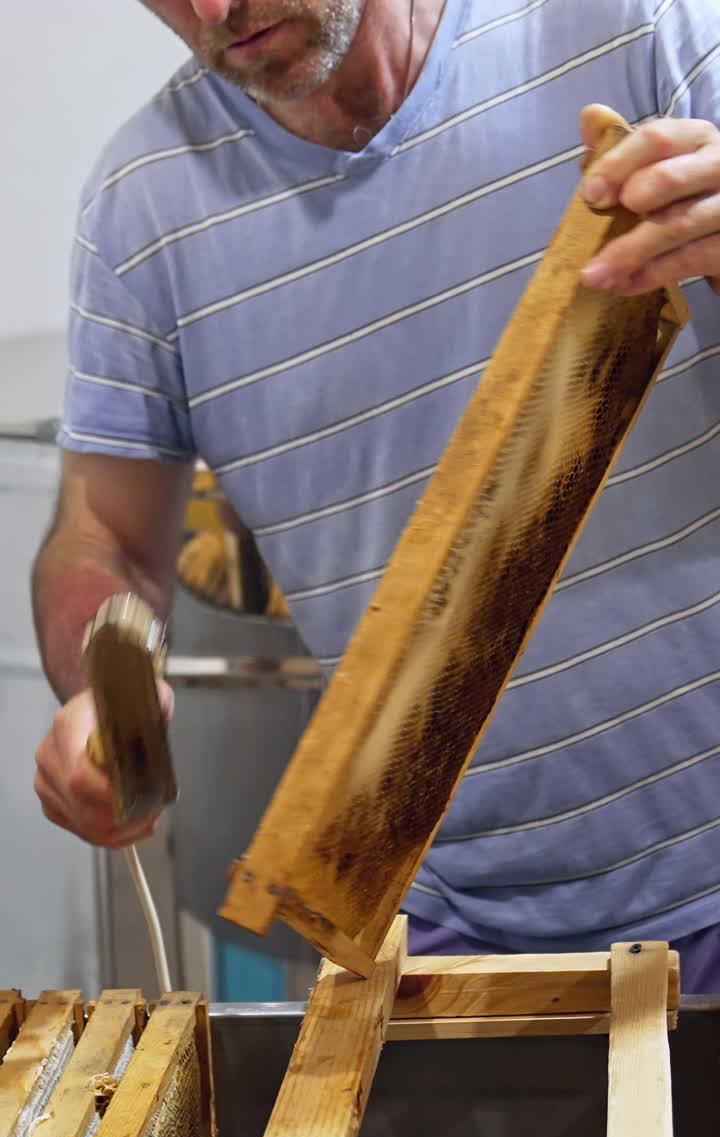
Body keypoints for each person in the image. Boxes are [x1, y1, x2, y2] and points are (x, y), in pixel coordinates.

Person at [32, 0, 720, 988]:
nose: (216, 11)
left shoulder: (640, 25)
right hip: (430, 921)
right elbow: (103, 540)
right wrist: (104, 693)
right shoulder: (143, 204)